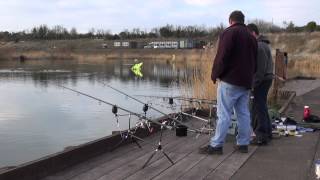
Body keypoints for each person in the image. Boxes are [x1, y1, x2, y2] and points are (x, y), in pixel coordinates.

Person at [199, 10, 257, 155]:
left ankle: (217, 145)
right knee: (243, 113)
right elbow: (255, 62)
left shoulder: (229, 32)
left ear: (231, 20)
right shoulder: (251, 37)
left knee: (224, 114)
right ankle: (243, 144)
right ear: (243, 21)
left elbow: (222, 56)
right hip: (246, 82)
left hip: (230, 81)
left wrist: (214, 74)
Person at [247, 23, 274, 145]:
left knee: (259, 106)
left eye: (248, 34)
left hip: (263, 81)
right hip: (265, 79)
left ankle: (262, 135)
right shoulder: (263, 44)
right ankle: (268, 132)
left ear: (253, 33)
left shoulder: (259, 46)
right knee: (262, 106)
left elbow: (260, 70)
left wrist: (253, 84)